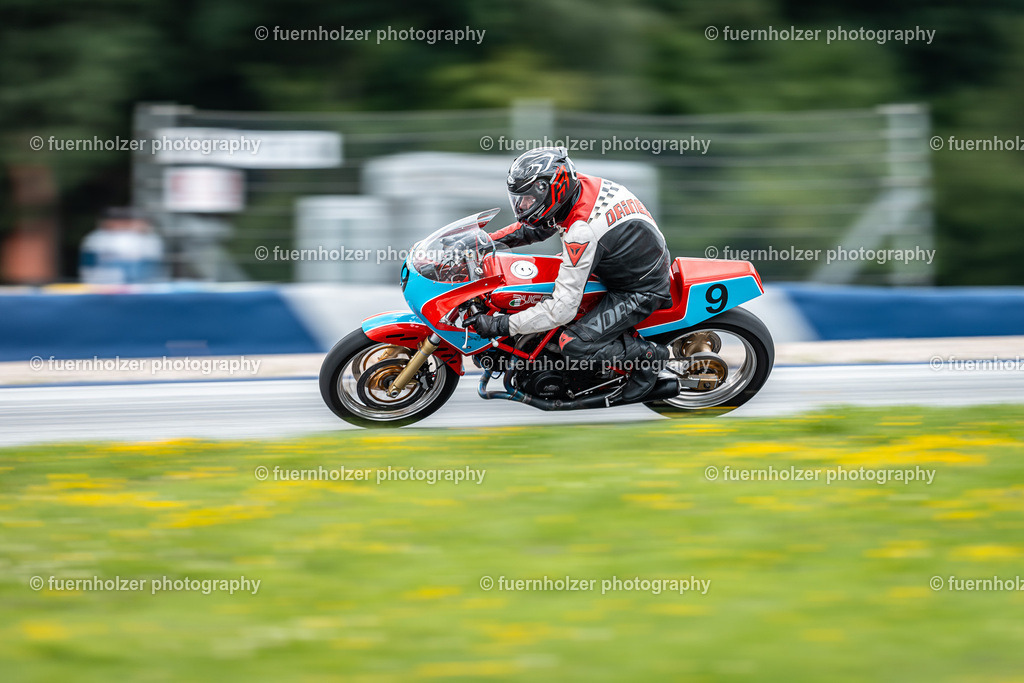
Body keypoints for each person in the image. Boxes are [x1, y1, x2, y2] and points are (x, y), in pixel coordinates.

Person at [468, 146, 672, 403]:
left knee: (574, 343)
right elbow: (537, 228)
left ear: (552, 190)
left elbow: (561, 310)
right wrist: (483, 241)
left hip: (639, 288)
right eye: (519, 199)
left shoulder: (581, 230)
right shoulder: (576, 187)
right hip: (618, 261)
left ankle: (648, 357)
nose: (521, 206)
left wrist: (501, 326)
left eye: (528, 199)